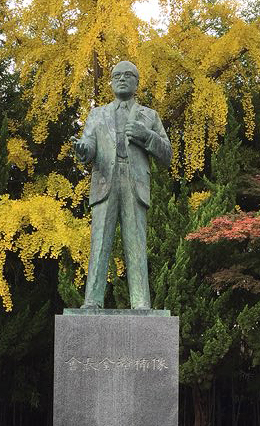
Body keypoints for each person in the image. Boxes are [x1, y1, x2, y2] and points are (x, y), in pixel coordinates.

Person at [71, 60, 172, 309]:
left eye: (128, 75)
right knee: (99, 243)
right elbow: (88, 145)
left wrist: (145, 136)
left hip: (135, 181)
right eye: (117, 75)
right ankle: (92, 301)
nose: (122, 79)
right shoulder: (97, 114)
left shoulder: (149, 115)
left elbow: (167, 154)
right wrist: (83, 150)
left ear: (137, 83)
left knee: (136, 244)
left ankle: (140, 303)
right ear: (111, 81)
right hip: (105, 178)